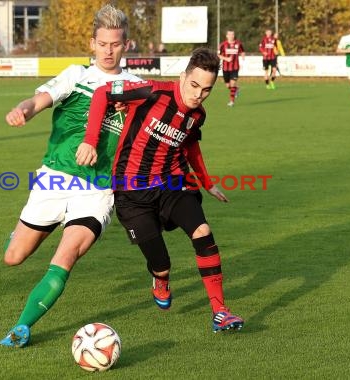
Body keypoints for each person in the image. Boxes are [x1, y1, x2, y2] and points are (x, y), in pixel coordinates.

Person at [0, 4, 140, 348]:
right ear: (92, 43)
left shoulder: (137, 87)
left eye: (116, 43)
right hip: (55, 179)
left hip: (98, 191)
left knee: (64, 257)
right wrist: (23, 111)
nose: (109, 51)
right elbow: (38, 100)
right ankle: (19, 232)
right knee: (13, 257)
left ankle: (21, 327)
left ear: (127, 45)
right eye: (103, 43)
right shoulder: (75, 75)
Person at [76, 48, 244, 333]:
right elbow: (103, 93)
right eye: (194, 85)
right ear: (182, 77)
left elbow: (191, 146)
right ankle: (161, 279)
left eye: (206, 90)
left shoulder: (197, 115)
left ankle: (220, 312)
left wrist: (206, 181)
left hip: (173, 184)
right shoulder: (151, 91)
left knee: (202, 231)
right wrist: (90, 140)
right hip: (131, 192)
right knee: (161, 264)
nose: (198, 95)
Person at [218, 29, 245, 106]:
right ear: (226, 36)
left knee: (232, 84)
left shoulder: (238, 44)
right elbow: (218, 55)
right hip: (226, 68)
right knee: (228, 85)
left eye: (232, 34)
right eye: (229, 34)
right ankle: (237, 89)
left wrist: (243, 55)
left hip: (235, 68)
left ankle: (231, 101)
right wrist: (226, 59)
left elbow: (242, 51)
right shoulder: (223, 45)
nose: (231, 36)